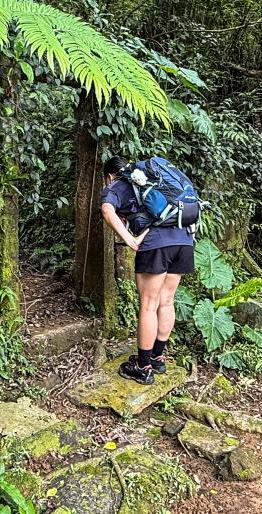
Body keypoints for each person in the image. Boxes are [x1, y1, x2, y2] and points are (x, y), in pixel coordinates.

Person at [100, 156, 195, 385]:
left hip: (156, 245)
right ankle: (158, 357)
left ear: (110, 175)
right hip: (184, 241)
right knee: (167, 301)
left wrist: (130, 240)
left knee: (149, 305)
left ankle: (143, 367)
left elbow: (107, 210)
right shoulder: (156, 180)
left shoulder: (118, 185)